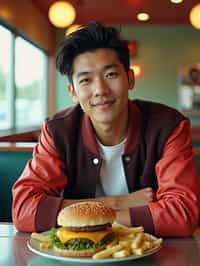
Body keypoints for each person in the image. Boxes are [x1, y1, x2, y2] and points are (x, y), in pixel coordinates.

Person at [12, 22, 200, 236]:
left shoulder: (168, 126)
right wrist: (119, 203)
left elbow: (183, 213)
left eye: (110, 75)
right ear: (73, 92)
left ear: (130, 78)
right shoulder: (57, 132)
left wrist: (88, 216)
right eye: (86, 80)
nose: (100, 90)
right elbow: (24, 209)